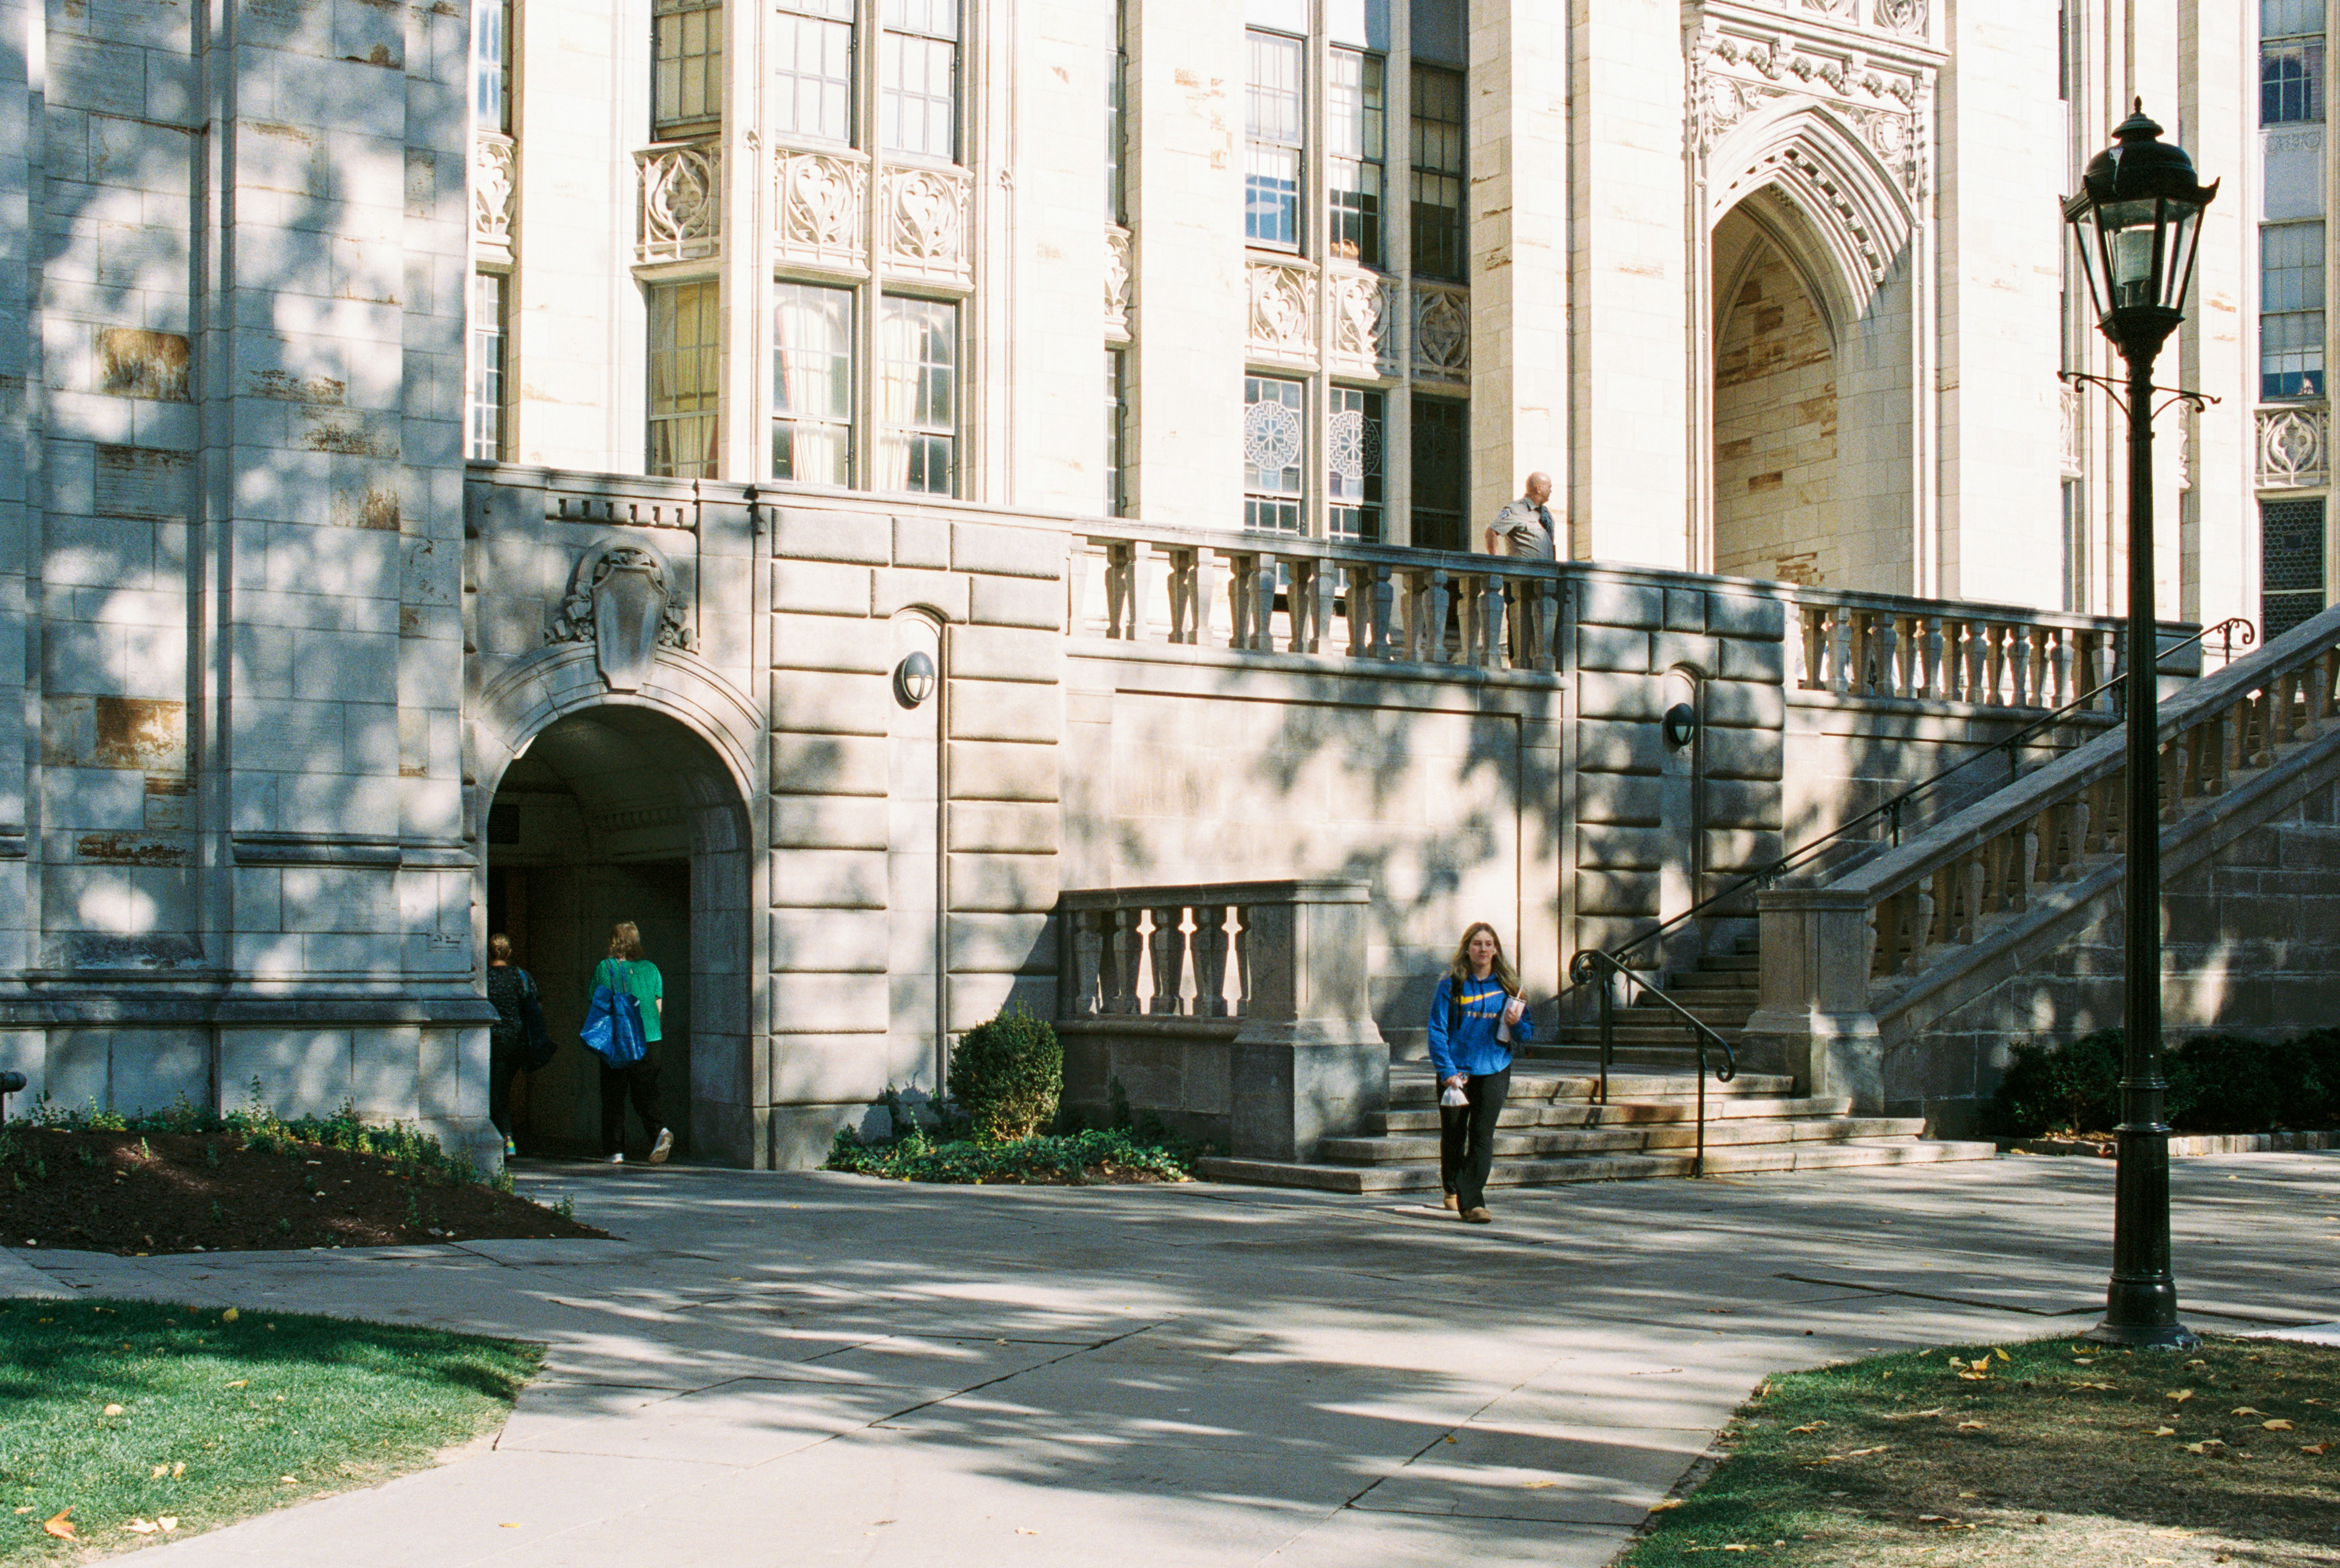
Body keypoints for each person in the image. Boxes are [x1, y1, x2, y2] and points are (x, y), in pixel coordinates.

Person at [1426, 922, 1532, 1223]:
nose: (1483, 949)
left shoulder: (1510, 986)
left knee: (1482, 1136)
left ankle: (1472, 1202)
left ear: (1496, 949)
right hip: (1456, 1073)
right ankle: (1452, 1186)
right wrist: (1446, 1070)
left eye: (1488, 944)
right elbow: (1437, 1030)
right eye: (1477, 944)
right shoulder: (1451, 985)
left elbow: (1527, 1033)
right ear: (1467, 949)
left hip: (1495, 1068)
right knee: (1454, 1135)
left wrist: (1516, 1022)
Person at [593, 921, 673, 1165]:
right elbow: (658, 1009)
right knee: (646, 1093)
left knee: (614, 1097)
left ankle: (615, 1152)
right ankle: (660, 1132)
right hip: (650, 1040)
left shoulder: (605, 968)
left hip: (618, 1042)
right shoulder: (651, 969)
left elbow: (597, 1005)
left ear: (614, 942)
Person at [483, 932, 536, 1159]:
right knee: (501, 1089)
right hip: (516, 1041)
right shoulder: (520, 976)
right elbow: (534, 1005)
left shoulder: (483, 977)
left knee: (497, 1093)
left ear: (488, 952)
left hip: (493, 1039)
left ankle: (506, 1138)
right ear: (510, 953)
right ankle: (505, 1136)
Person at [1485, 471, 1558, 559]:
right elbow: (1491, 533)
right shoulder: (1516, 509)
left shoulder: (1546, 514)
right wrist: (1496, 563)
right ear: (1539, 488)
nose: (1551, 491)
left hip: (1546, 571)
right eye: (1549, 487)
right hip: (1523, 571)